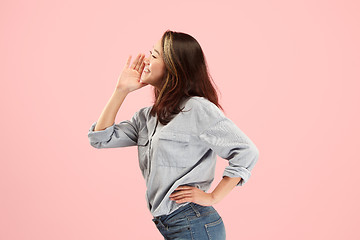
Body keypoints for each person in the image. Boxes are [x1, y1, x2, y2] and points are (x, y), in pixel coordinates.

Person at [87, 30, 259, 240]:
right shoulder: (147, 117)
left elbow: (246, 151)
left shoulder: (196, 108)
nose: (146, 60)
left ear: (174, 66)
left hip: (193, 223)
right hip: (171, 225)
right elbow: (100, 139)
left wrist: (214, 196)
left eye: (154, 55)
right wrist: (120, 90)